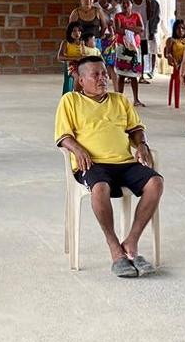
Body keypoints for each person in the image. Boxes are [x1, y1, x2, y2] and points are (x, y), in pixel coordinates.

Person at [55, 56, 161, 279]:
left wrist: (141, 144)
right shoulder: (70, 101)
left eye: (104, 73)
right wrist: (77, 149)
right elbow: (63, 136)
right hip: (92, 164)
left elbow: (135, 129)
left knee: (155, 182)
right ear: (82, 80)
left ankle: (131, 242)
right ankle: (115, 248)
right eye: (96, 74)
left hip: (124, 162)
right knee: (100, 187)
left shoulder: (120, 100)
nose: (103, 78)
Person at [141, 0, 161, 82]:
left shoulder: (155, 3)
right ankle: (141, 69)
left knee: (153, 50)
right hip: (142, 28)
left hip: (151, 28)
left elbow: (157, 18)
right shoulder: (141, 0)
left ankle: (152, 70)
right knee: (142, 50)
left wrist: (153, 31)